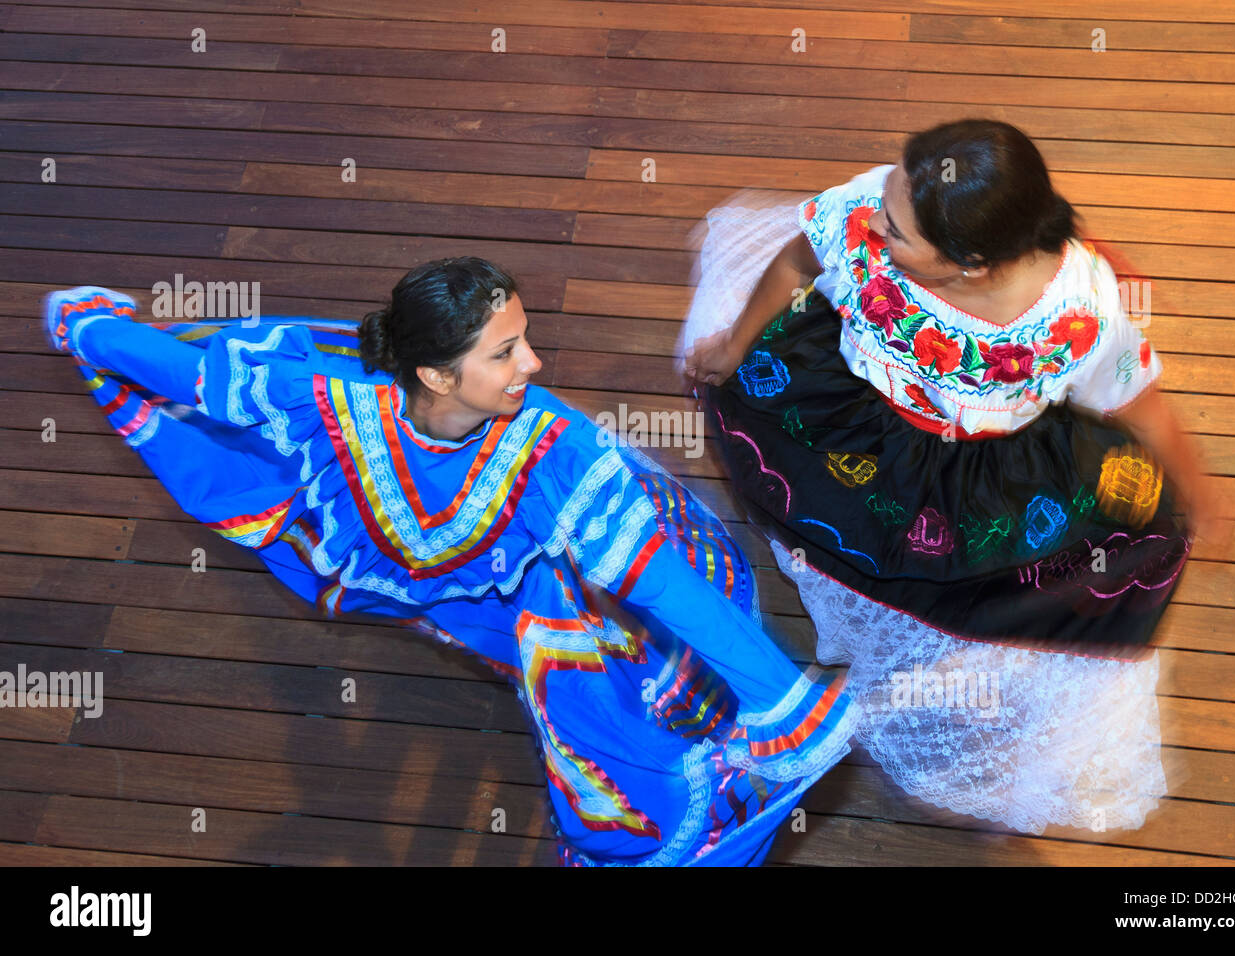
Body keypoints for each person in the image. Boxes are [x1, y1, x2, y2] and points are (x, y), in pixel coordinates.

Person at [43, 257, 865, 866]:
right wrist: (85, 329)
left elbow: (655, 574)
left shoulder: (551, 448)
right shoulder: (328, 396)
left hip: (542, 593)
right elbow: (193, 374)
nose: (534, 365)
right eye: (505, 352)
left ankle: (741, 729)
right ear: (435, 373)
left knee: (592, 676)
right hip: (432, 586)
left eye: (525, 341)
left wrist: (783, 703)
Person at [681, 119, 1235, 835]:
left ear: (968, 264)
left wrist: (1204, 493)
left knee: (1012, 564)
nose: (871, 221)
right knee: (828, 518)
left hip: (976, 468)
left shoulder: (1079, 317)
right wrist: (733, 346)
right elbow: (798, 260)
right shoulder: (872, 213)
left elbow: (1140, 403)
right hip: (853, 413)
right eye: (889, 197)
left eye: (898, 229)